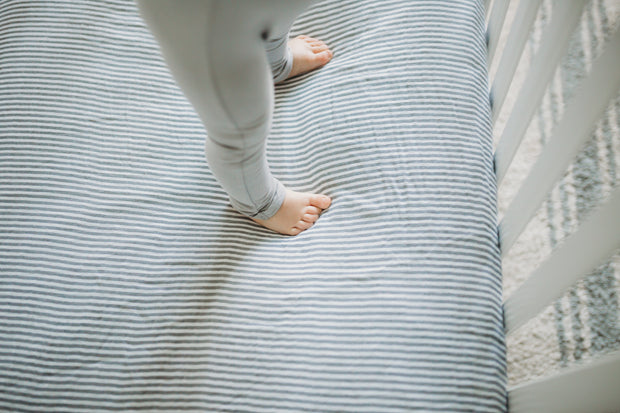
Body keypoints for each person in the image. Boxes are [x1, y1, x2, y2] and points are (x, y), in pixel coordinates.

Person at [136, 0, 333, 236]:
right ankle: (258, 202)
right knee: (239, 126)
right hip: (209, 21)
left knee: (272, 13)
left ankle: (272, 61)